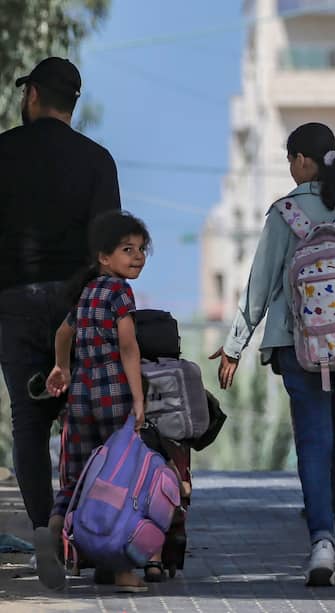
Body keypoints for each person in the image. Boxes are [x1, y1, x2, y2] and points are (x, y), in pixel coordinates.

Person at [209, 122, 335, 586]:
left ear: (302, 161)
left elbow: (261, 282)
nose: (290, 166)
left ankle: (322, 543)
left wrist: (236, 344)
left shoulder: (285, 213)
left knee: (313, 443)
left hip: (299, 345)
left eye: (291, 158)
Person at [0, 57, 120, 574]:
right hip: (78, 304)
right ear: (72, 104)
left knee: (27, 424)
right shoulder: (98, 160)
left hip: (13, 299)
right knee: (88, 416)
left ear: (31, 97)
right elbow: (109, 246)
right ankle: (92, 532)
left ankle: (44, 526)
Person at [43, 211, 150, 591]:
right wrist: (138, 400)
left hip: (80, 399)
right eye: (127, 249)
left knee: (76, 478)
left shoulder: (88, 292)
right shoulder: (120, 292)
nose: (137, 256)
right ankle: (122, 570)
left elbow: (62, 333)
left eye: (141, 249)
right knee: (118, 481)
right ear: (104, 257)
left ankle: (54, 532)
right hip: (113, 397)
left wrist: (62, 369)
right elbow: (128, 347)